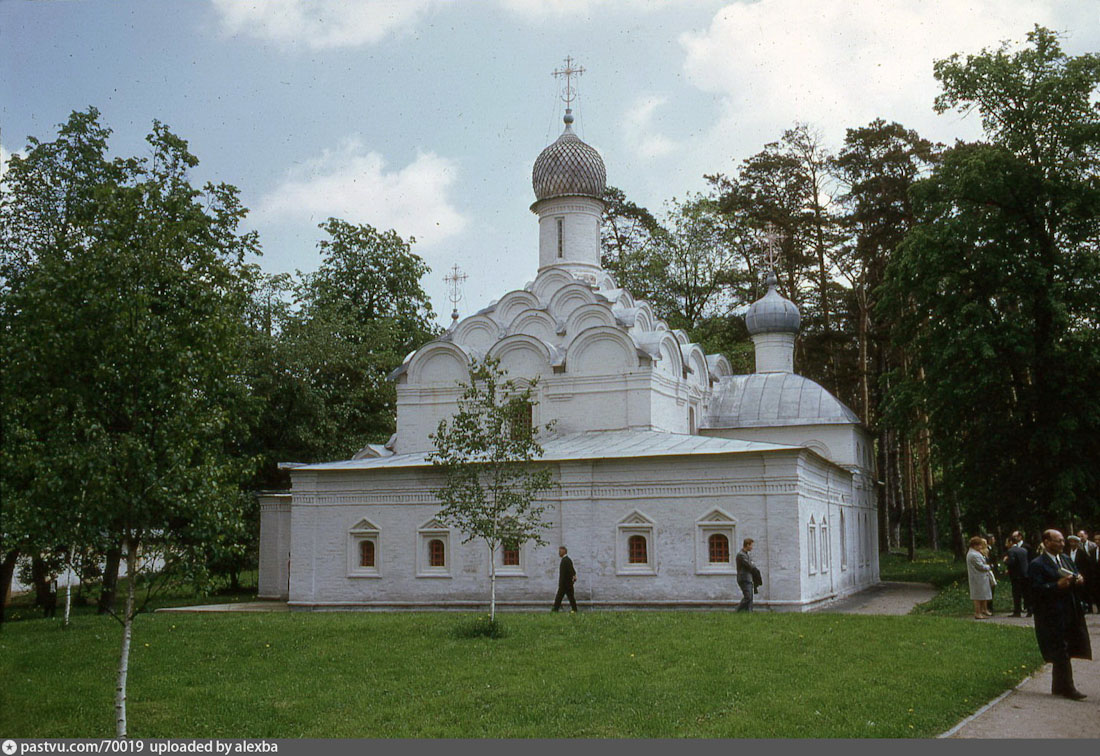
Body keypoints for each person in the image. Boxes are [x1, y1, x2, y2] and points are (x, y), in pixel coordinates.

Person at [1028, 529, 1091, 700]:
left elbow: (1075, 573)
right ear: (1047, 542)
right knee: (1060, 648)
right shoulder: (1037, 564)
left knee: (1065, 646)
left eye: (1063, 540)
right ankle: (1069, 688)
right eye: (1058, 541)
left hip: (1069, 610)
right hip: (1051, 613)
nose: (1062, 544)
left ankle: (1058, 686)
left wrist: (1079, 579)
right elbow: (1035, 590)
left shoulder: (1065, 559)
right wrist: (1055, 586)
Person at [1004, 531, 1032, 617]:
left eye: (1007, 542)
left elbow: (1012, 562)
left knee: (1016, 594)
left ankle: (1017, 611)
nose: (1006, 544)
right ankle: (1030, 610)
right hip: (1025, 574)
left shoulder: (1011, 551)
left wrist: (1006, 561)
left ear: (1011, 542)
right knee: (1026, 593)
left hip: (1016, 576)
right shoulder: (1024, 550)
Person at [966, 536, 995, 619]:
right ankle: (977, 613)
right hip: (977, 578)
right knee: (977, 597)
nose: (981, 547)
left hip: (980, 578)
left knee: (982, 595)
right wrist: (989, 566)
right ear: (974, 545)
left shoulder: (975, 553)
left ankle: (982, 611)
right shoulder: (973, 555)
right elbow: (980, 566)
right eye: (979, 545)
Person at [735, 538, 762, 612]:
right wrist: (754, 568)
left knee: (750, 598)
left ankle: (749, 613)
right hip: (743, 578)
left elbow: (752, 564)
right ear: (747, 545)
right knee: (748, 597)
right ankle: (737, 611)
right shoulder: (741, 555)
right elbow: (750, 565)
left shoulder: (747, 555)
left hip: (748, 578)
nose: (752, 547)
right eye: (751, 545)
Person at [552, 546, 577, 612]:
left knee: (560, 597)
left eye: (560, 551)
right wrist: (574, 575)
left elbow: (570, 570)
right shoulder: (566, 560)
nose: (559, 553)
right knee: (568, 597)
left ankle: (555, 609)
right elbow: (572, 570)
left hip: (565, 584)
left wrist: (573, 576)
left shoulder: (566, 560)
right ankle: (574, 609)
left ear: (564, 551)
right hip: (566, 583)